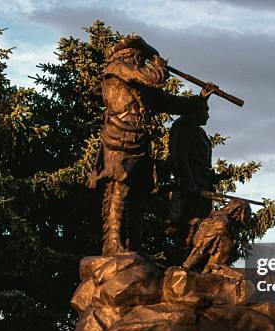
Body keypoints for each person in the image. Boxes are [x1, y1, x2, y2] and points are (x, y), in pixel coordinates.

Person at [88, 34, 205, 255]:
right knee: (119, 191)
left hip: (140, 142)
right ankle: (113, 243)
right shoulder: (118, 67)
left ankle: (135, 245)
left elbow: (168, 102)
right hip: (120, 139)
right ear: (131, 55)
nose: (142, 63)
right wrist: (159, 67)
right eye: (141, 59)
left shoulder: (139, 84)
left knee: (138, 195)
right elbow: (154, 78)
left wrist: (199, 99)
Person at [168, 83, 229, 260]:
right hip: (188, 191)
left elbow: (199, 165)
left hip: (201, 189)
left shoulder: (197, 131)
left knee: (200, 230)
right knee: (187, 232)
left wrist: (217, 177)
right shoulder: (183, 127)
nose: (208, 115)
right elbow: (178, 157)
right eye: (205, 110)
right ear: (194, 112)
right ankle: (181, 266)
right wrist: (188, 183)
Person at [182, 199, 252, 273]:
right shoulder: (222, 221)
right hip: (210, 259)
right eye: (248, 213)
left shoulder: (230, 225)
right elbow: (204, 246)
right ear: (241, 211)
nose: (249, 216)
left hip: (213, 263)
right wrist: (188, 265)